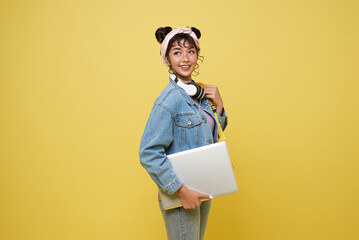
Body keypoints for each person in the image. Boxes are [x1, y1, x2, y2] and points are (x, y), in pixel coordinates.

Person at [139, 26, 228, 240]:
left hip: (203, 187)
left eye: (190, 51)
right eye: (177, 52)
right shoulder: (168, 101)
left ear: (197, 55)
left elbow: (210, 136)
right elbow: (148, 153)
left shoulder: (201, 94)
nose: (185, 58)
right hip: (182, 194)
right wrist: (180, 190)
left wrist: (221, 108)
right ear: (167, 60)